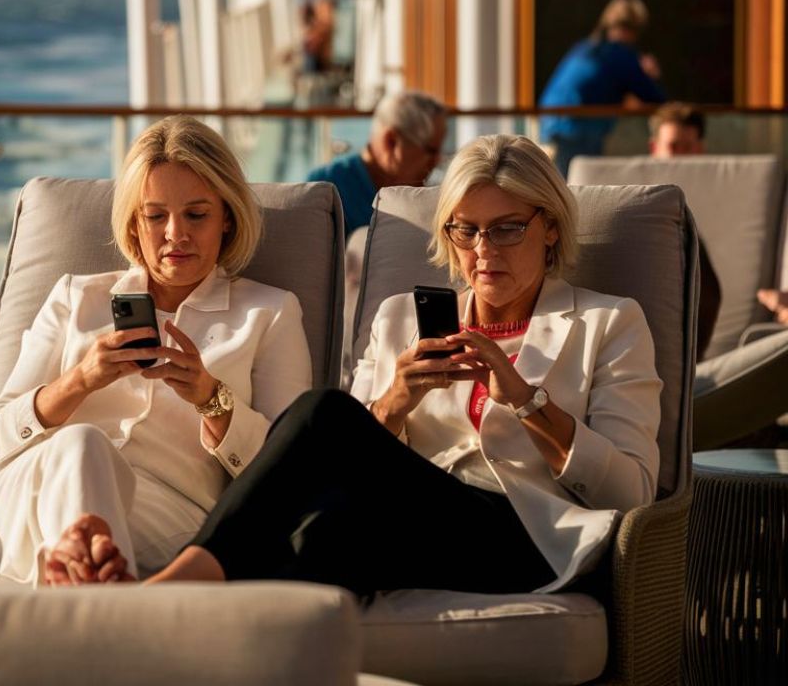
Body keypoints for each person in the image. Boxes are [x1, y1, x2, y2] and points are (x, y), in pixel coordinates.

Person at [143, 133, 663, 599]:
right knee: (323, 531)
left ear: (549, 228)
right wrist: (395, 401)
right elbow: (353, 462)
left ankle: (188, 575)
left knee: (324, 411)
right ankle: (202, 636)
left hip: (527, 538)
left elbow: (632, 490)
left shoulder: (609, 322)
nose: (482, 251)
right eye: (465, 231)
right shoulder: (399, 320)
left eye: (506, 230)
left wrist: (528, 402)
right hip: (414, 527)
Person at [0, 115, 312, 587]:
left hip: (164, 514)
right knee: (82, 442)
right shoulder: (76, 297)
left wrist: (212, 399)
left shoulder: (269, 313)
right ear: (135, 222)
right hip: (31, 494)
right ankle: (111, 604)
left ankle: (78, 578)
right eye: (156, 216)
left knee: (88, 528)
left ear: (227, 219)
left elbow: (287, 476)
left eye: (196, 214)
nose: (176, 234)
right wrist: (79, 380)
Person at [540, 0, 666, 176]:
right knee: (579, 187)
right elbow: (653, 97)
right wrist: (651, 76)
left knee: (567, 184)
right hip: (579, 129)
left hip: (552, 123)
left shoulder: (585, 48)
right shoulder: (620, 55)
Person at [307, 90, 447, 237]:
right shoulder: (325, 188)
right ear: (391, 142)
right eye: (431, 150)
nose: (437, 161)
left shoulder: (426, 196)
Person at [647, 102, 720, 356]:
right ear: (654, 148)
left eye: (687, 148)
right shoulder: (637, 206)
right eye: (673, 147)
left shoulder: (723, 195)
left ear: (701, 149)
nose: (681, 157)